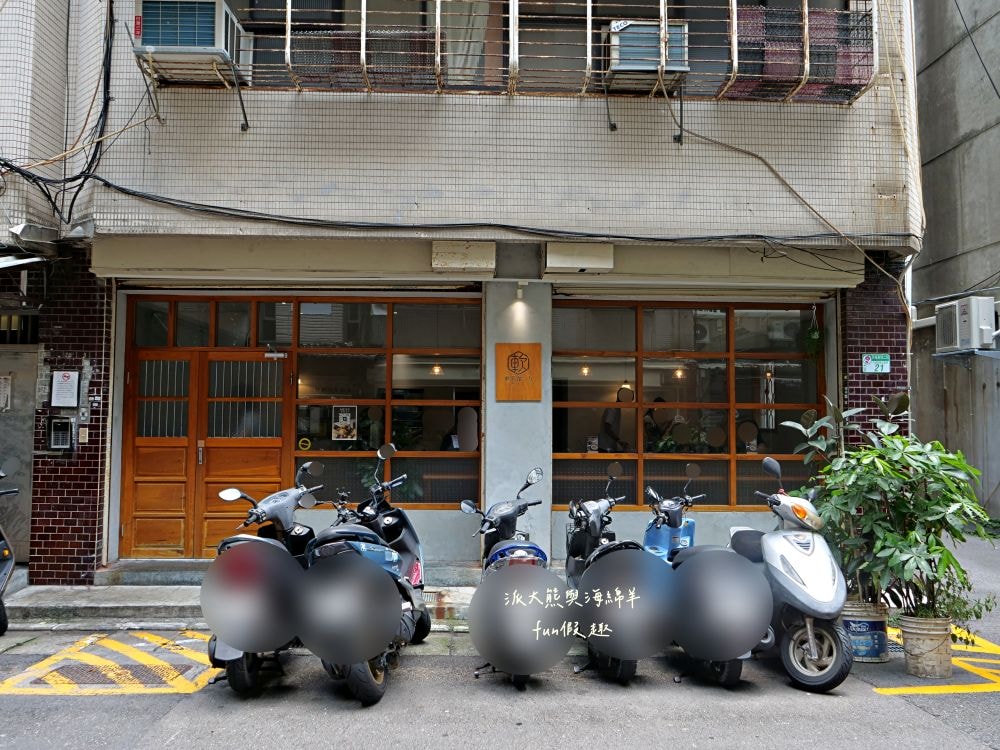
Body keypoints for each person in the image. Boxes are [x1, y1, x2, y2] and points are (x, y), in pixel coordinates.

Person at [598, 386, 632, 452]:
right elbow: (607, 428)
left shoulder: (617, 409)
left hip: (608, 446)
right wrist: (618, 441)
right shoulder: (612, 409)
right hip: (605, 447)